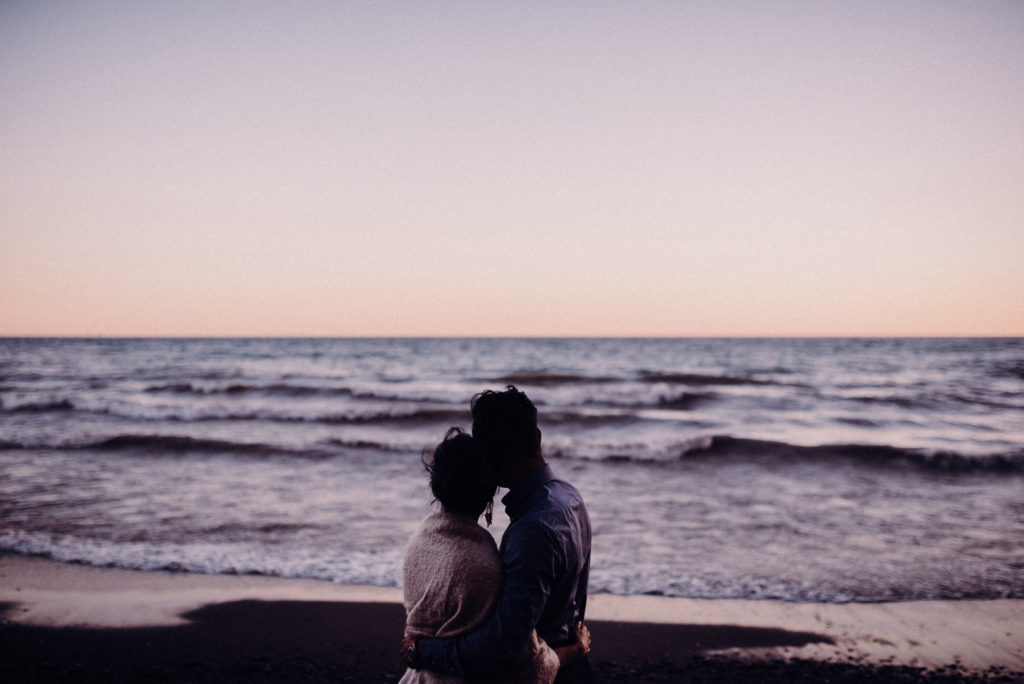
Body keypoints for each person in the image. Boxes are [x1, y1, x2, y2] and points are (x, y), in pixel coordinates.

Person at [402, 387, 595, 683]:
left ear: (490, 460)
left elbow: (500, 648)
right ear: (538, 436)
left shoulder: (533, 531)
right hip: (571, 662)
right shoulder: (571, 497)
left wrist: (421, 651)